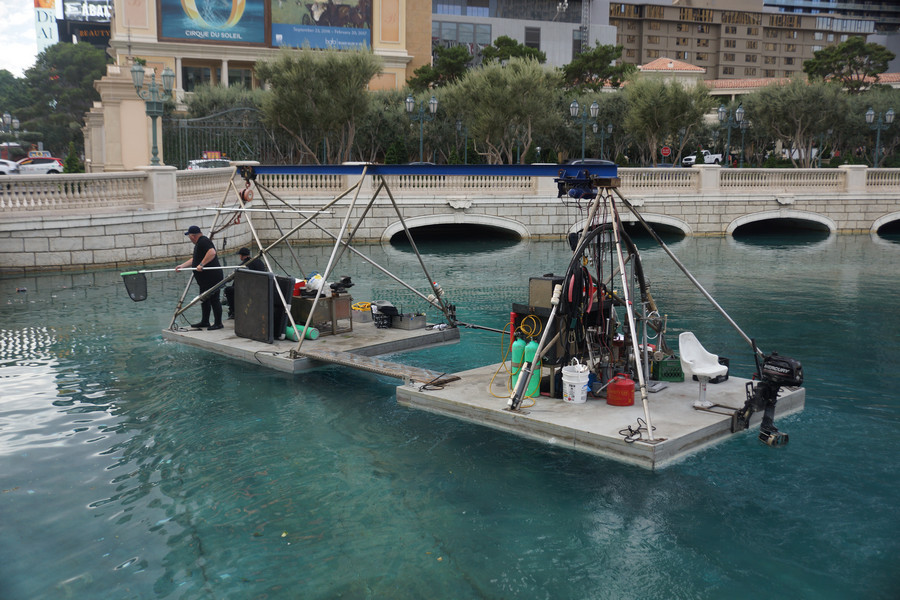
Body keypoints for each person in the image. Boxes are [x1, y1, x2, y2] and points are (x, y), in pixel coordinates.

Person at [176, 225, 224, 330]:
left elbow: (212, 252)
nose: (189, 238)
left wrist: (201, 264)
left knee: (214, 299)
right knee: (204, 299)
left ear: (193, 236)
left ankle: (218, 323)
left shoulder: (204, 241)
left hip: (212, 277)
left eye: (189, 236)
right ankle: (205, 321)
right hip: (204, 280)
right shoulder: (199, 244)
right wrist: (182, 266)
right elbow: (195, 259)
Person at [223, 247, 268, 319]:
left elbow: (233, 276)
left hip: (250, 289)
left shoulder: (244, 264)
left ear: (241, 256)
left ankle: (233, 311)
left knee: (228, 290)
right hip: (262, 287)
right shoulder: (258, 261)